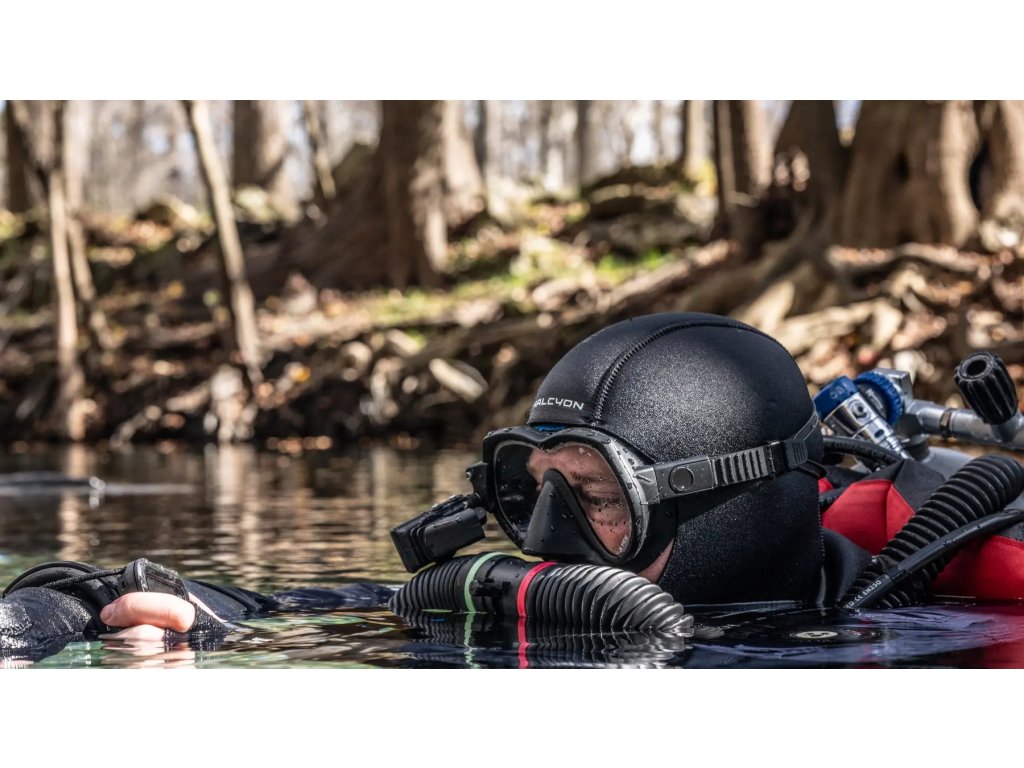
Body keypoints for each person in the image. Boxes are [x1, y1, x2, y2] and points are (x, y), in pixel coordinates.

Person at [4, 311, 1024, 659]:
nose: (542, 541)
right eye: (530, 489)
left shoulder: (894, 644)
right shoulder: (543, 610)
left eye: (598, 496)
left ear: (734, 509)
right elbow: (341, 613)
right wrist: (112, 602)